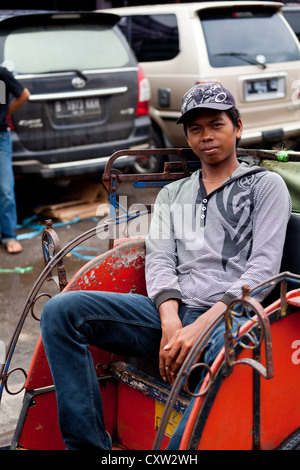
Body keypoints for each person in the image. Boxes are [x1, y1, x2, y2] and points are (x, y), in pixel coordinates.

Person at [40, 82, 291, 450]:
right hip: (170, 314)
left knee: (228, 353)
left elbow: (264, 268)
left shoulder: (265, 186)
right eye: (195, 129)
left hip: (229, 317)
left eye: (216, 125)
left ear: (237, 127)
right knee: (62, 311)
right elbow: (160, 258)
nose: (205, 136)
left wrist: (200, 327)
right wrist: (171, 320)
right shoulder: (173, 193)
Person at [0, 66, 30, 254]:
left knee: (5, 189)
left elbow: (24, 94)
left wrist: (4, 113)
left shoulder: (2, 74)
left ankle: (8, 235)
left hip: (1, 137)